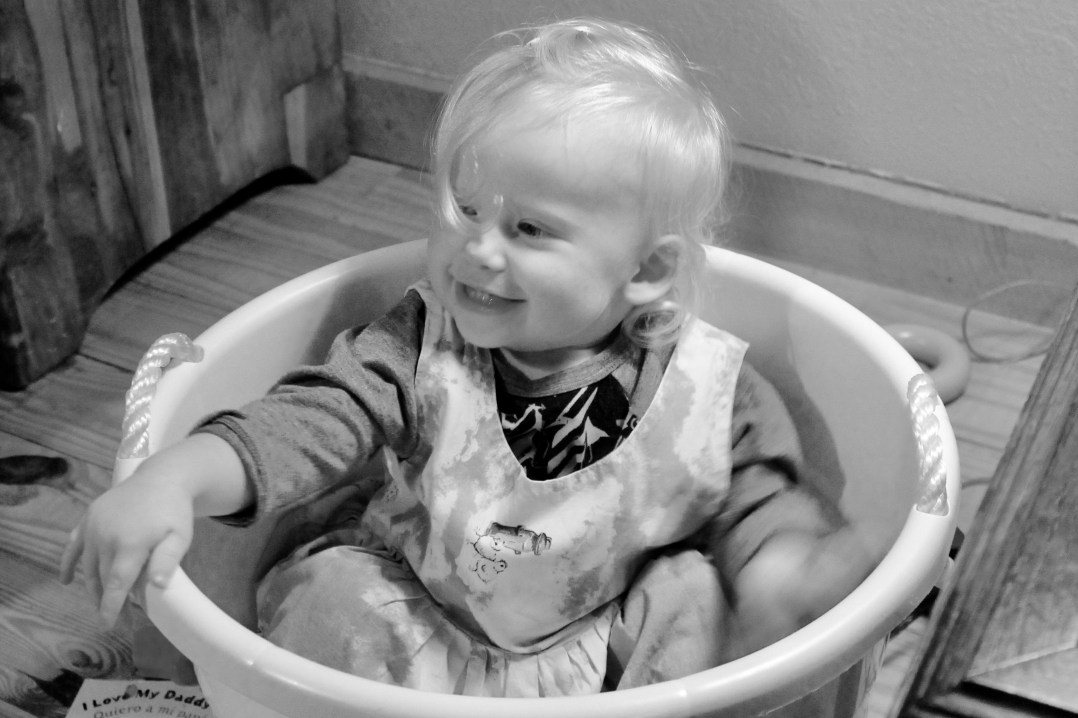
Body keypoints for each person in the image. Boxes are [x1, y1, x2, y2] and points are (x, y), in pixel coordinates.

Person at [61, 17, 874, 697]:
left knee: (698, 593)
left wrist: (781, 570)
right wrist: (178, 475)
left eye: (529, 229)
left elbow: (760, 501)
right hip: (416, 627)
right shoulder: (419, 347)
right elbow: (309, 420)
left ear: (647, 271)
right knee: (333, 593)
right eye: (466, 209)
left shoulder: (710, 388)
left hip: (599, 655)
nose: (477, 250)